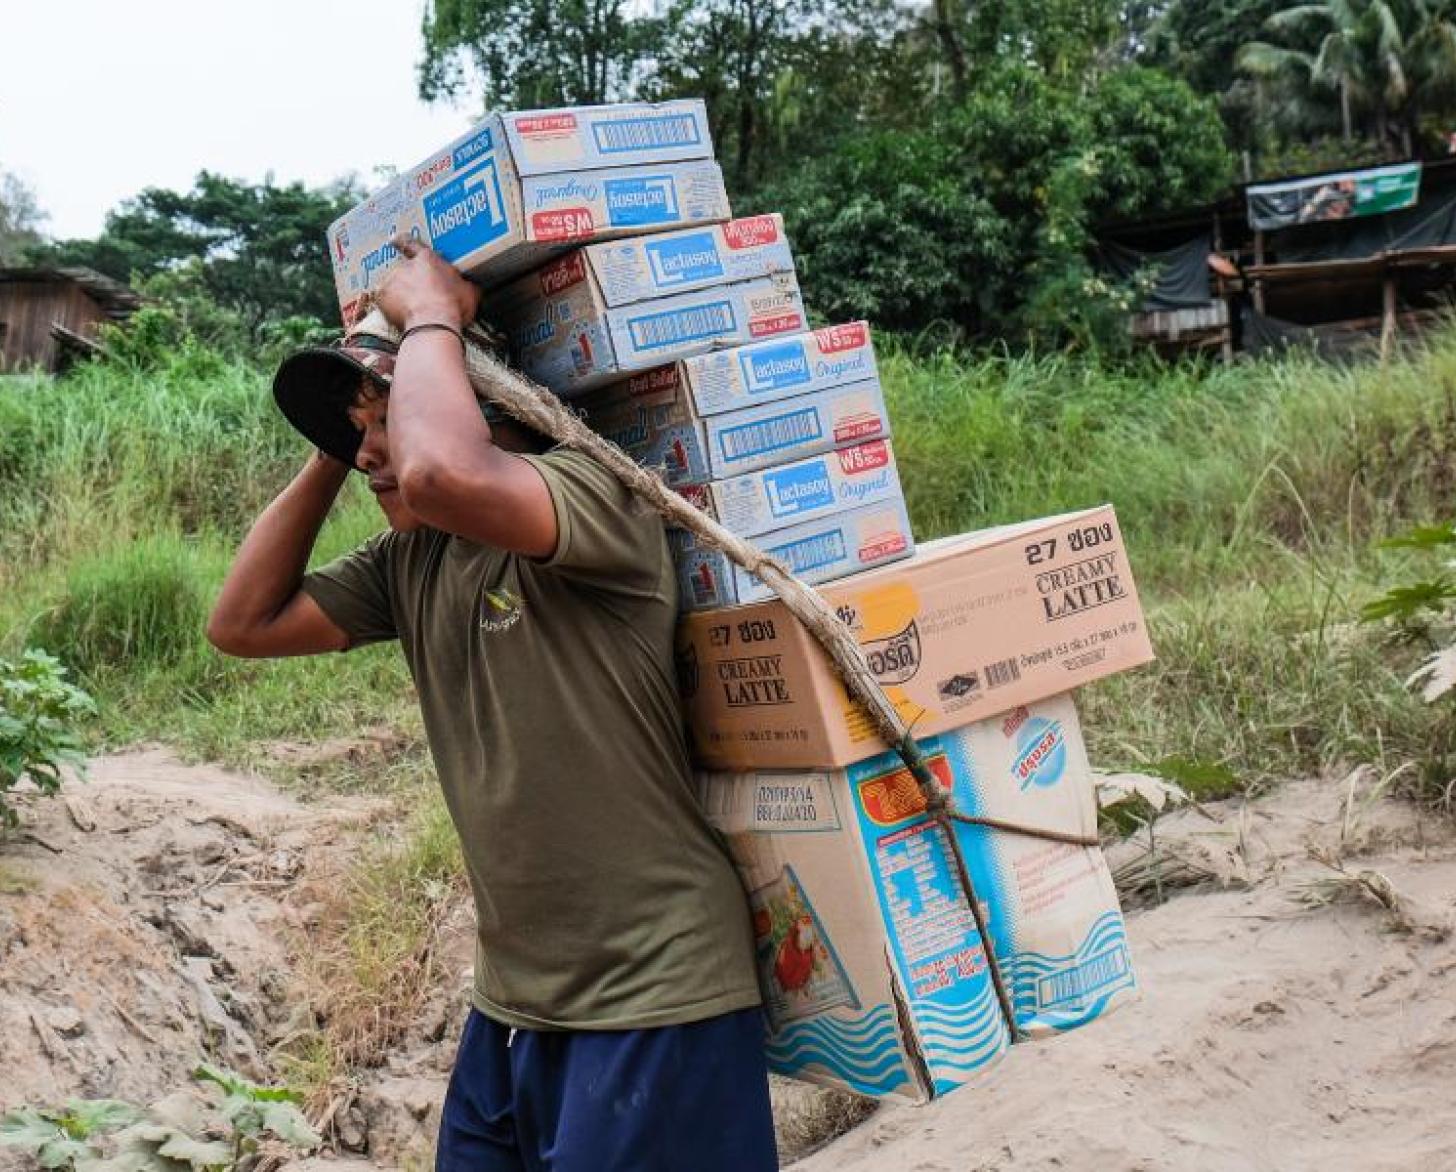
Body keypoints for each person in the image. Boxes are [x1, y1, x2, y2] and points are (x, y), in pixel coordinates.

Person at [205, 238, 776, 1172]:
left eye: (391, 415)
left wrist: (432, 318)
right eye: (363, 430)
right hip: (514, 1009)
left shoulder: (595, 501)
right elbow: (242, 622)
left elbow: (443, 475)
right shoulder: (414, 563)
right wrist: (342, 441)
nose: (376, 455)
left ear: (485, 401)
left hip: (654, 998)